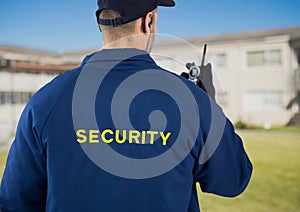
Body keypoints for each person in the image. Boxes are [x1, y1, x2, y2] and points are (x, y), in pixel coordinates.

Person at [0, 0, 252, 211]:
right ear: (149, 21)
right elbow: (233, 180)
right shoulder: (192, 102)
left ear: (100, 23)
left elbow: (14, 202)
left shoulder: (46, 101)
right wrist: (210, 106)